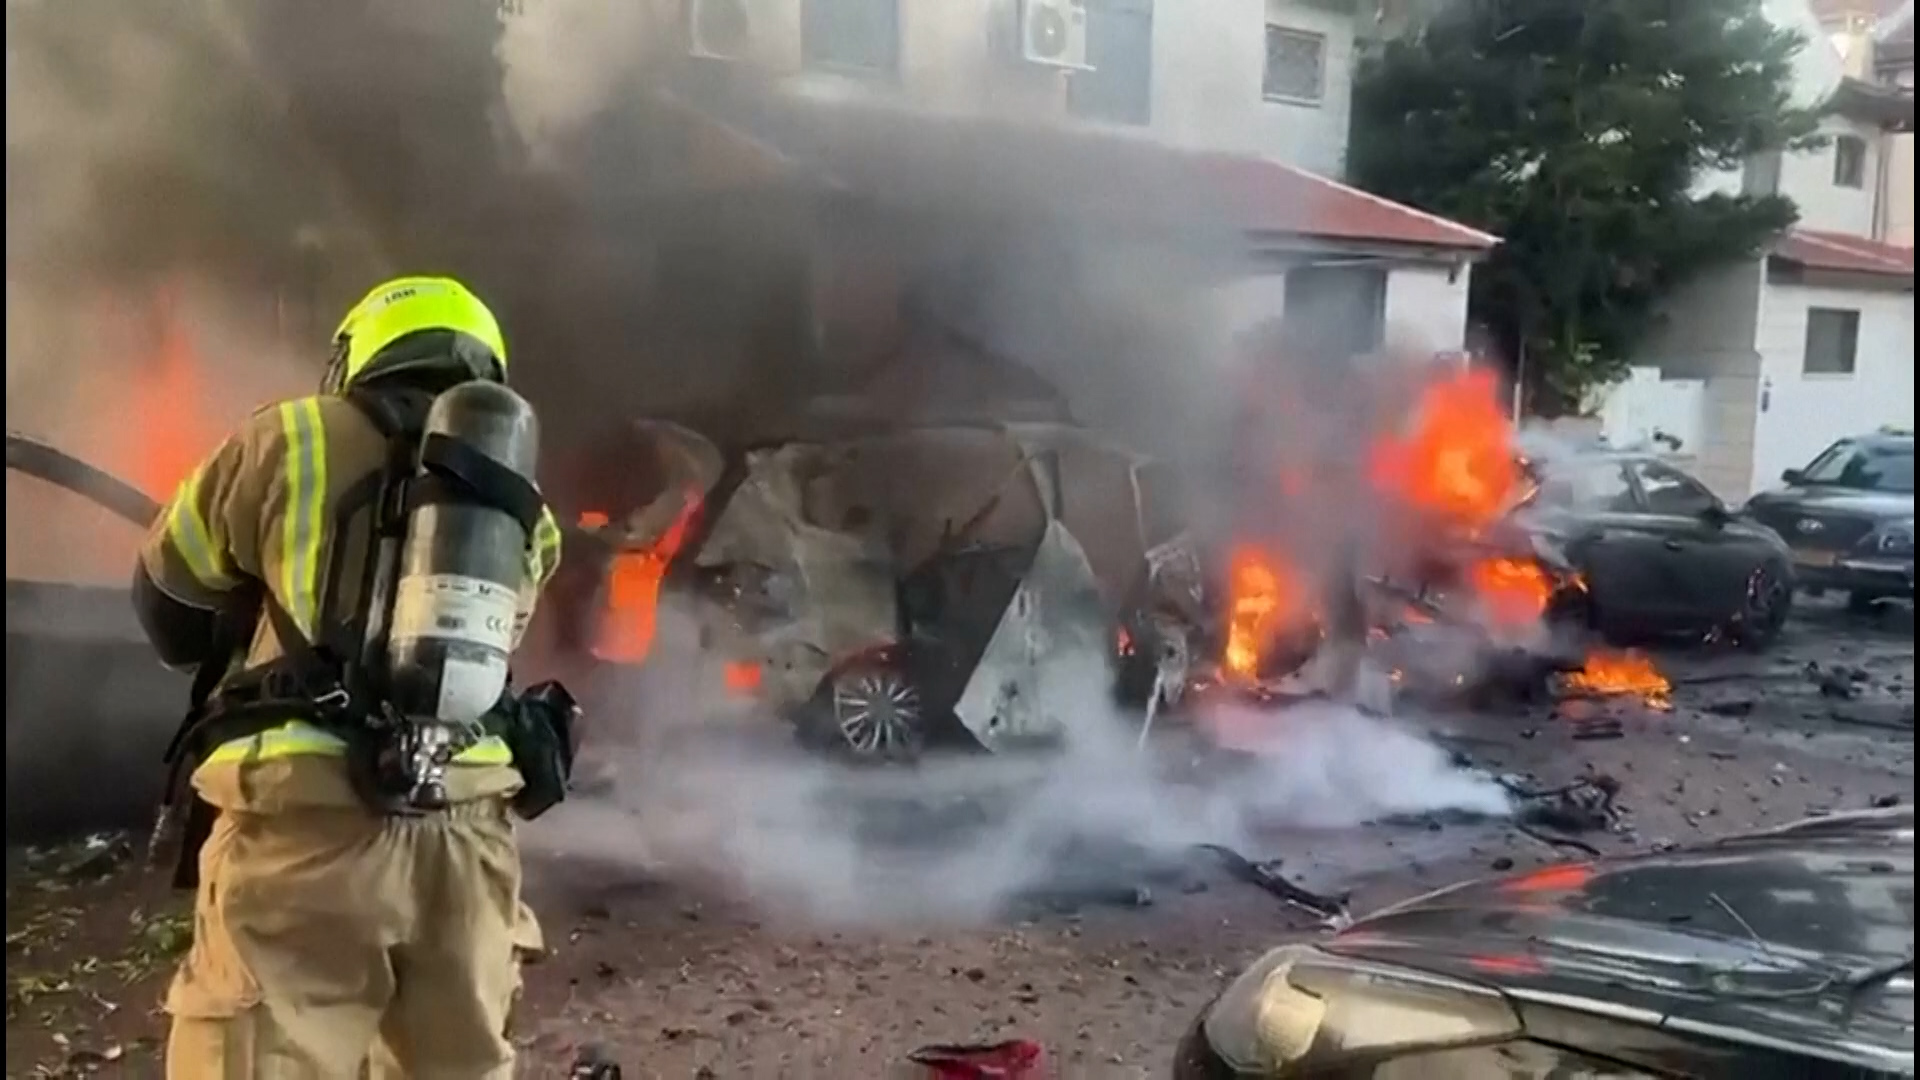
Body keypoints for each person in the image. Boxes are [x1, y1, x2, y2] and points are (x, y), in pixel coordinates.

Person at [132, 275, 570, 1078]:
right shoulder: (524, 509)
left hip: (308, 819)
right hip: (467, 828)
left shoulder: (285, 437)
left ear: (362, 350)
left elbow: (168, 604)